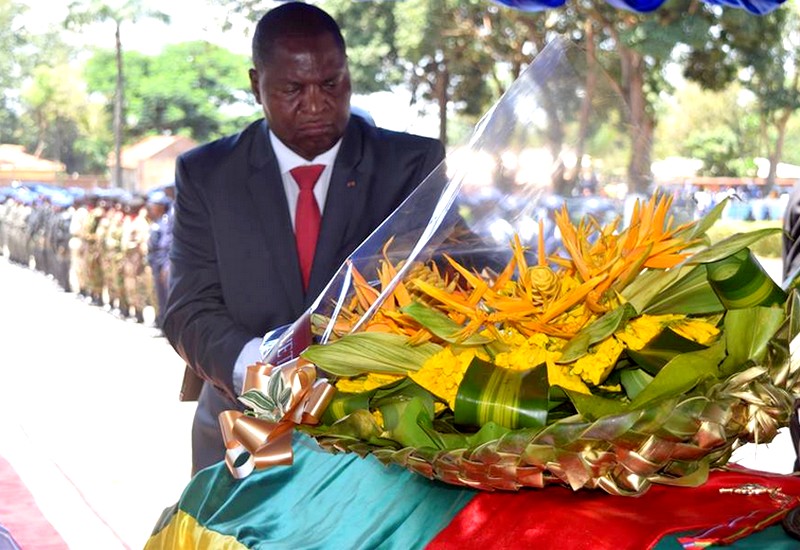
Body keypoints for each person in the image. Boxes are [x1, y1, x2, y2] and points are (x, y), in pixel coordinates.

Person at [163, 2, 446, 474]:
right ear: (257, 85)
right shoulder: (209, 174)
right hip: (247, 419)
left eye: (331, 84)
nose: (316, 104)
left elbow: (447, 272)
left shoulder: (409, 165)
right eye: (293, 88)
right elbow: (188, 309)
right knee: (249, 543)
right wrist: (265, 374)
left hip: (375, 436)